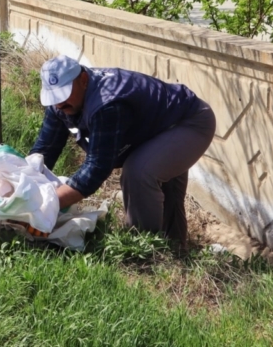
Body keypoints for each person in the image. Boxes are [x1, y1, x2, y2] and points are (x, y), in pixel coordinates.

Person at [29, 54, 216, 250]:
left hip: (188, 123)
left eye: (64, 94)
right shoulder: (61, 105)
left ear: (83, 80)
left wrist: (48, 204)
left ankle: (142, 250)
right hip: (154, 127)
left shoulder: (107, 103)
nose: (59, 104)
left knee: (138, 172)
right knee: (164, 194)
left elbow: (97, 168)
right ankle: (175, 251)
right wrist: (23, 189)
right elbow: (44, 151)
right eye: (54, 97)